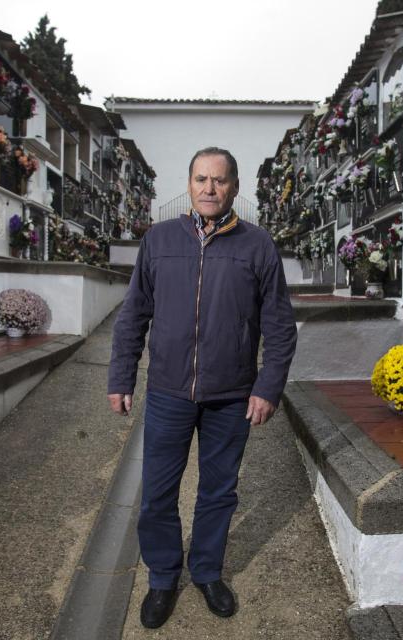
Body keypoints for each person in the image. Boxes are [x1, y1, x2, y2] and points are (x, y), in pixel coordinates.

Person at [107, 147, 297, 629]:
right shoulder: (159, 240)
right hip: (169, 391)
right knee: (157, 492)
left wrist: (267, 387)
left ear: (234, 186)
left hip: (232, 395)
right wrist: (121, 376)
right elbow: (133, 314)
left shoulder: (257, 245)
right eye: (200, 179)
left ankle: (207, 572)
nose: (209, 188)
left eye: (219, 180)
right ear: (189, 183)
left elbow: (278, 324)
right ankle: (163, 577)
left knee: (218, 491)